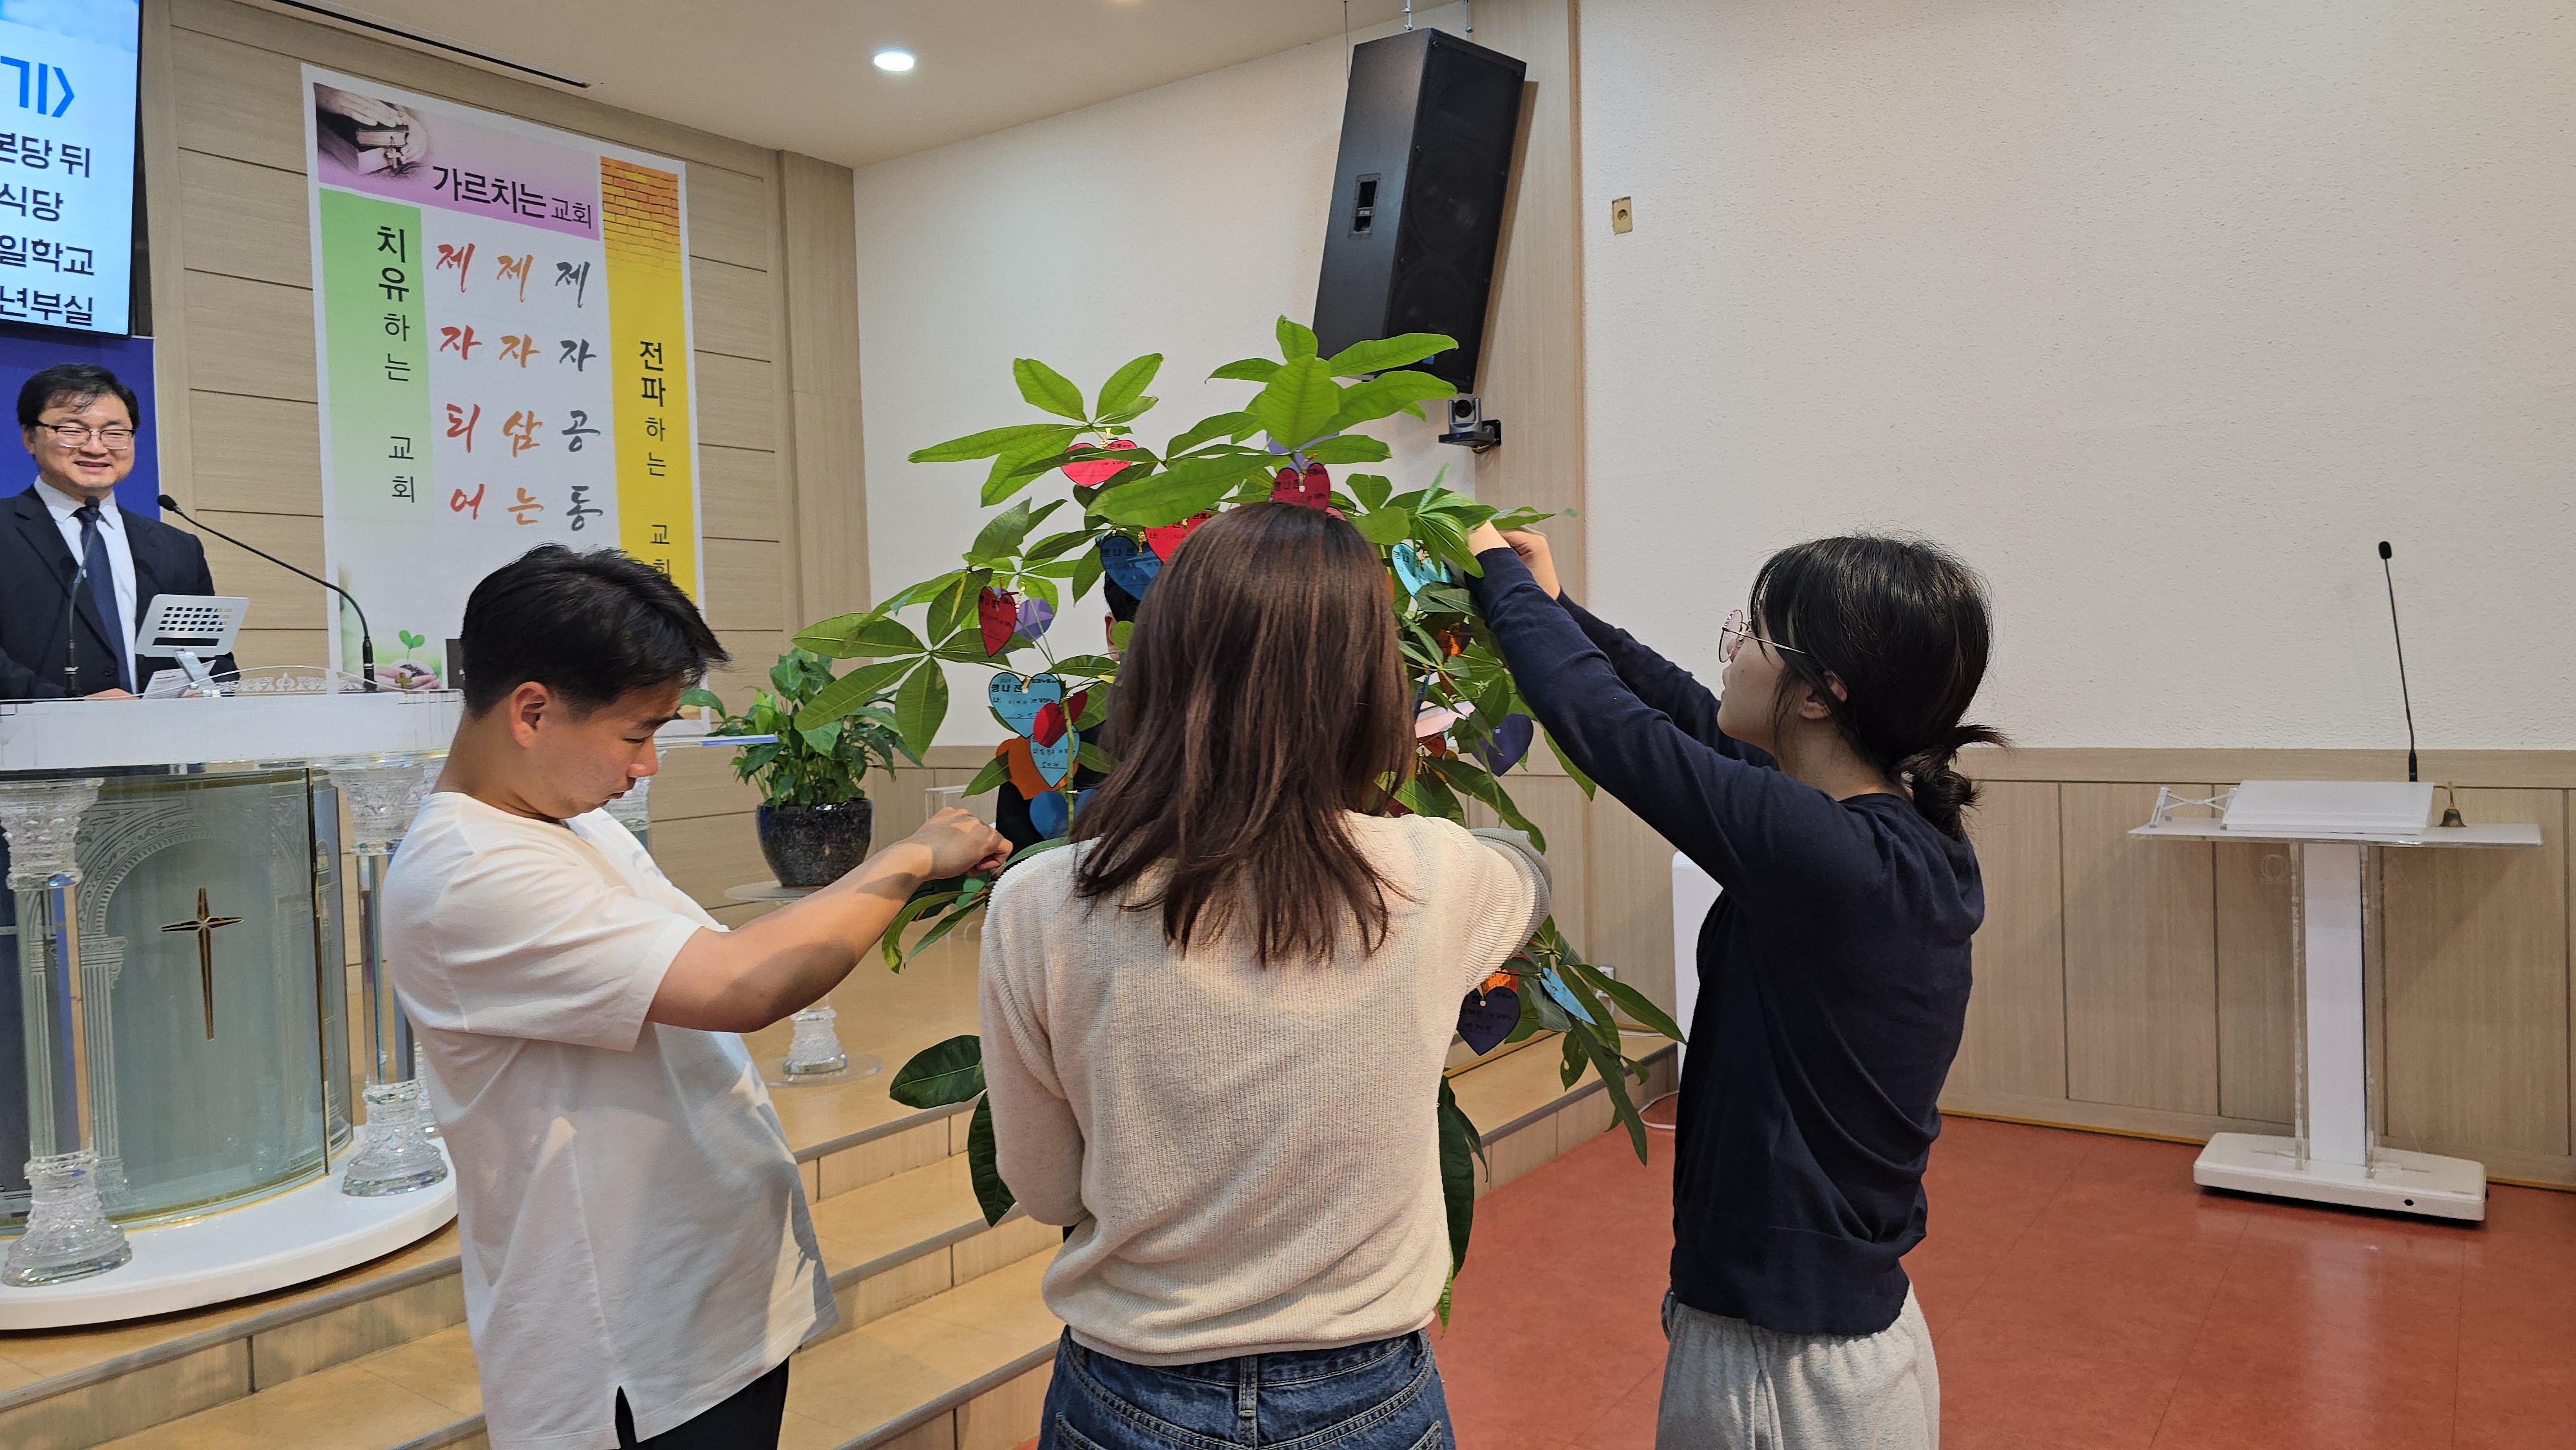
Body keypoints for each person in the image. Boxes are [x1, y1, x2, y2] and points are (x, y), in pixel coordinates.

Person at [381, 545, 1010, 1450]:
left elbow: (718, 956)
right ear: (532, 710)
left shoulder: (568, 824)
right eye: (637, 734)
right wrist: (910, 857)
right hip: (629, 1350)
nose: (647, 766)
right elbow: (742, 982)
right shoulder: (467, 872)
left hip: (703, 1302)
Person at [980, 504, 1551, 1450]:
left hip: (1130, 1385)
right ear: (1371, 688)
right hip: (1367, 1393)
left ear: (1156, 668)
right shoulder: (1438, 874)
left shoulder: (1042, 901)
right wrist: (1536, 621)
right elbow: (1529, 875)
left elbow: (1044, 1189)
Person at [1464, 521, 1997, 1450]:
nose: (1733, 650)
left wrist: (1494, 574)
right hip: (1834, 1336)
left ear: (1821, 694)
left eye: (1753, 633)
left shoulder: (1829, 857)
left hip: (1781, 1372)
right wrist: (1555, 605)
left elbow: (1612, 728)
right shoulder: (1889, 833)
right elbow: (1672, 706)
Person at [0, 363, 234, 699]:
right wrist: (69, 706)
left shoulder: (177, 548)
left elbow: (213, 656)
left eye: (114, 433)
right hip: (29, 731)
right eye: (73, 430)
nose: (96, 448)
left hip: (165, 733)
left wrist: (208, 690)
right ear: (30, 437)